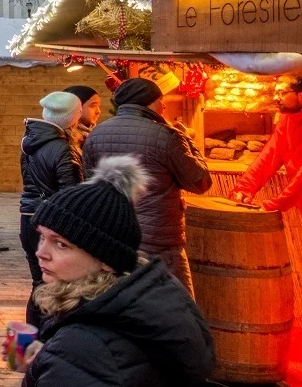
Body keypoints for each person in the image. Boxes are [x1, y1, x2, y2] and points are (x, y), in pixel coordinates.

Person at [17, 156, 215, 386]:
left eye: (61, 244)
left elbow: (86, 362)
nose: (41, 252)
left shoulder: (79, 346)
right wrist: (45, 361)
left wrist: (53, 360)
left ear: (106, 260)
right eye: (42, 237)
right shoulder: (149, 302)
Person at [82, 78, 211, 293]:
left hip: (113, 237)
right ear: (149, 102)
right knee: (176, 308)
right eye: (161, 100)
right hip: (158, 244)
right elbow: (201, 182)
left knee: (123, 303)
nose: (164, 106)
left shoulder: (97, 134)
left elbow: (91, 184)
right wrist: (188, 142)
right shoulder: (167, 136)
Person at [19, 92, 83, 327]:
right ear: (70, 118)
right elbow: (71, 195)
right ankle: (46, 336)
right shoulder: (62, 148)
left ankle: (32, 338)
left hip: (28, 217)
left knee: (39, 283)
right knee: (54, 286)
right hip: (51, 223)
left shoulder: (30, 143)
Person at [231, 78, 302, 210]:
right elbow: (269, 156)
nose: (276, 97)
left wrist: (276, 204)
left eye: (282, 92)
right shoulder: (287, 119)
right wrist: (245, 188)